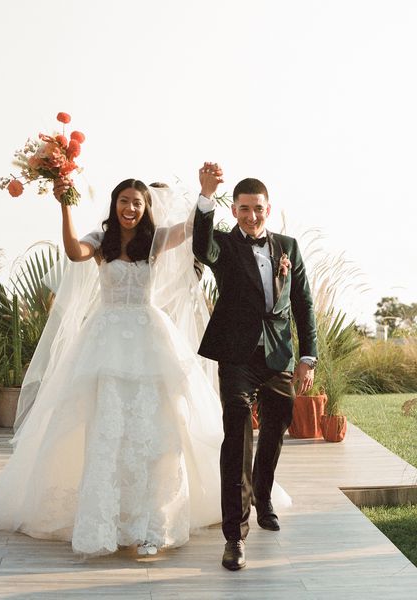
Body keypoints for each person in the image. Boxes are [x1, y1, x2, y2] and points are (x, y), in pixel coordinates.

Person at [0, 178, 241, 556]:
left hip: (148, 339)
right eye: (125, 201)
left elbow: (191, 229)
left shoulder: (154, 240)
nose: (131, 208)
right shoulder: (101, 241)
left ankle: (151, 525)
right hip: (105, 342)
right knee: (107, 428)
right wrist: (64, 202)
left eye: (137, 203)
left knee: (154, 429)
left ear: (145, 207)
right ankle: (103, 523)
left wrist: (205, 190)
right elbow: (74, 252)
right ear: (115, 203)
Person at [193, 163, 318, 571]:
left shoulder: (289, 247)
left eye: (258, 209)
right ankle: (235, 537)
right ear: (234, 210)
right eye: (244, 209)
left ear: (269, 208)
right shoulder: (225, 247)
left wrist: (307, 357)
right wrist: (206, 195)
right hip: (237, 357)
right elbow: (201, 248)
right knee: (238, 437)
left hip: (280, 356)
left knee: (276, 431)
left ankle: (262, 497)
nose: (252, 216)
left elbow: (303, 304)